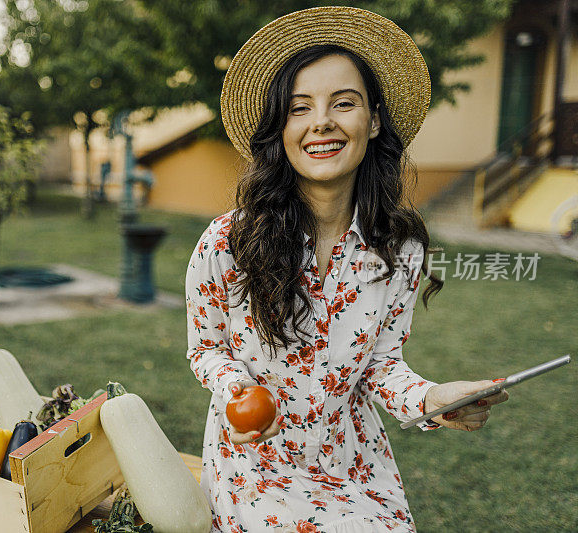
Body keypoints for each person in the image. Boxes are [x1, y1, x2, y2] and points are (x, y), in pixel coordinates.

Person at [184, 7, 510, 532]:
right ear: (280, 128)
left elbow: (382, 364)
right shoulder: (228, 242)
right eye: (299, 108)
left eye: (344, 103)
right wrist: (235, 395)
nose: (322, 123)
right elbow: (206, 348)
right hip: (254, 465)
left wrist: (432, 399)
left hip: (352, 459)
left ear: (374, 120)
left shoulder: (400, 247)